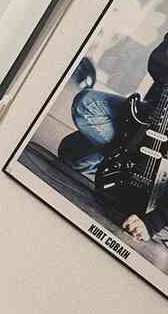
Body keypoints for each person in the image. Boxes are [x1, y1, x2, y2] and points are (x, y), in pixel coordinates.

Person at [58, 33, 168, 241]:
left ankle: (123, 169)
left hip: (160, 181)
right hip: (151, 116)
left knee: (75, 152)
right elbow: (158, 62)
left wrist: (153, 222)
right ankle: (124, 162)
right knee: (80, 121)